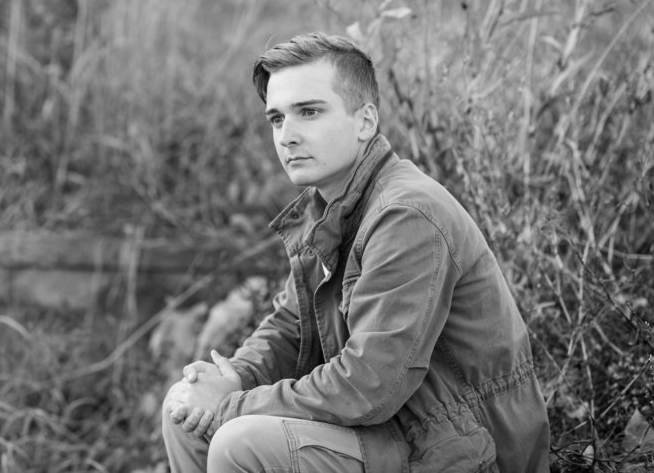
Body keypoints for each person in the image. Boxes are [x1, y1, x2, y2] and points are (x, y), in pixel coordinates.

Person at [161, 32, 551, 472]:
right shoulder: (331, 207)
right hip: (396, 433)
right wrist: (235, 376)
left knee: (239, 439)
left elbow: (368, 385)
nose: (287, 136)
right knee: (185, 418)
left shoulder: (406, 214)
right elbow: (292, 326)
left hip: (462, 448)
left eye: (309, 112)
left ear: (365, 121)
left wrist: (231, 404)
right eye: (276, 119)